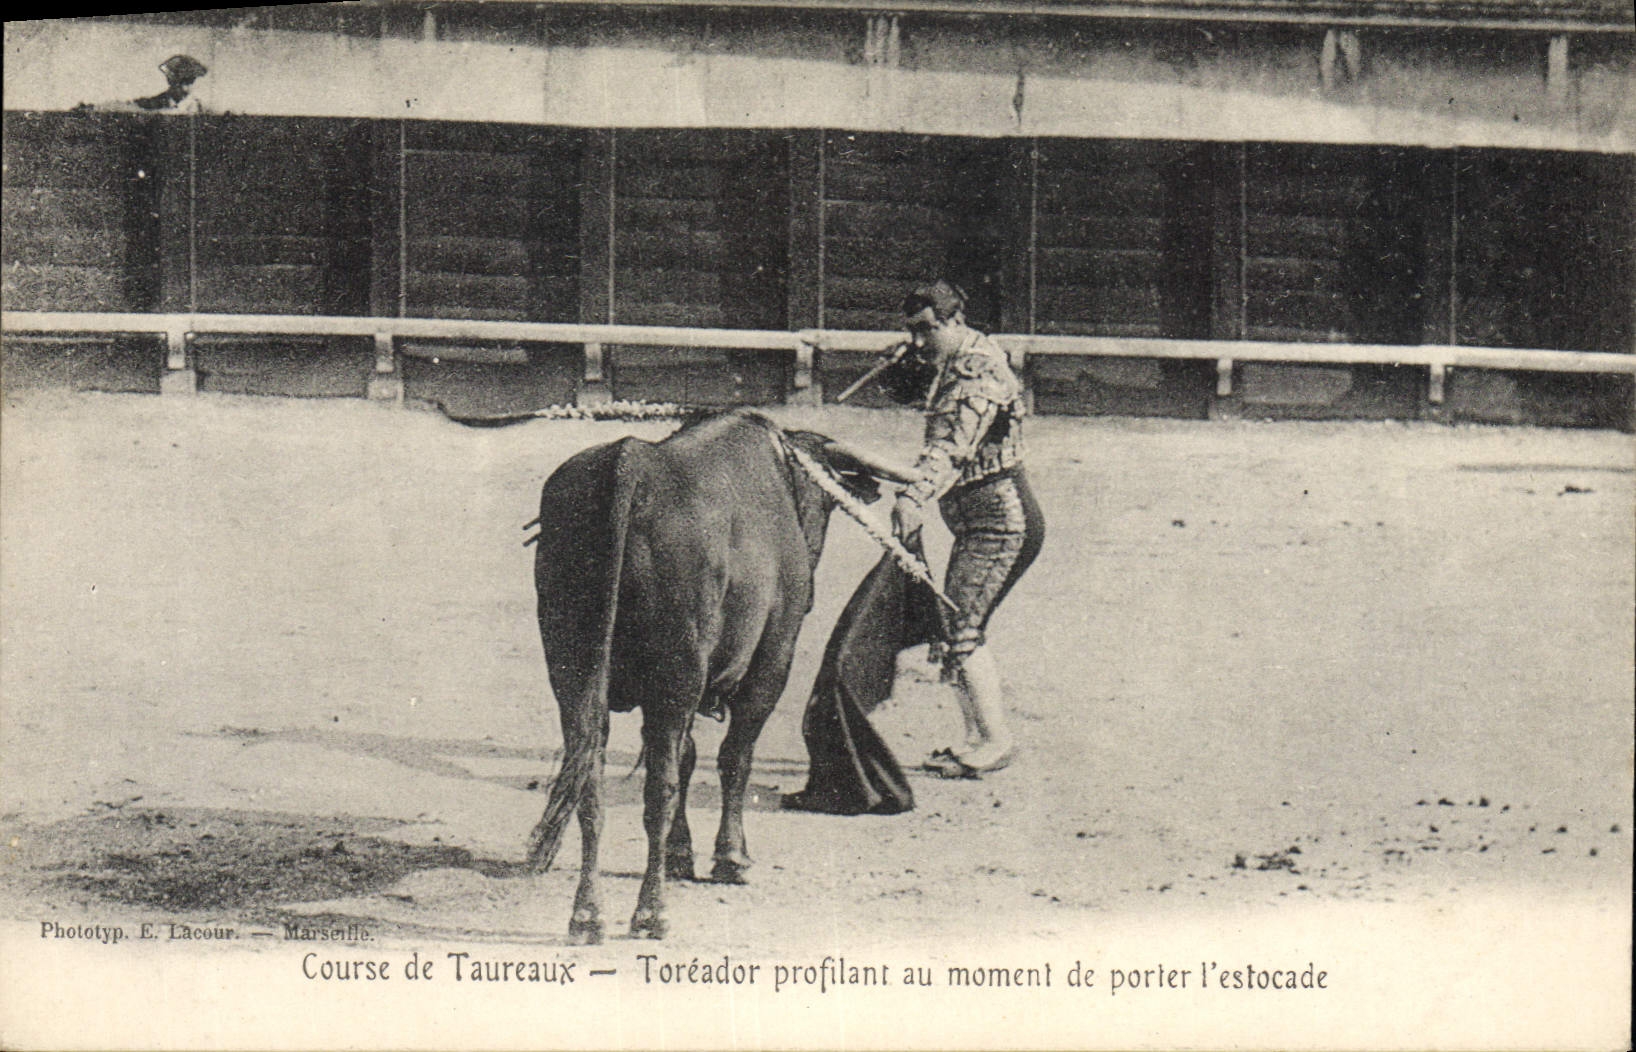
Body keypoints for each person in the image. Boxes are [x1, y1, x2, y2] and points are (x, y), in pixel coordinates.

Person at [886, 280, 1045, 777]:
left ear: (955, 321)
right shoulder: (955, 358)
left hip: (1002, 524)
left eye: (927, 330)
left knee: (960, 629)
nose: (918, 341)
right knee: (953, 628)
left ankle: (995, 742)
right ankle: (976, 737)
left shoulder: (978, 371)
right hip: (979, 523)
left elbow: (953, 449)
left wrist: (913, 496)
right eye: (912, 331)